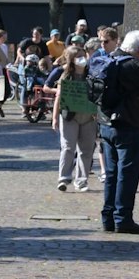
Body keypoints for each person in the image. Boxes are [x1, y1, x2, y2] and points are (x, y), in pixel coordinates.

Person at [94, 29, 139, 235]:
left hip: (107, 124)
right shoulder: (132, 65)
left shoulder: (110, 59)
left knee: (112, 173)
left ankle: (108, 217)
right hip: (128, 125)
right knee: (128, 173)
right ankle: (123, 218)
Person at [47, 45, 100, 191]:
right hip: (69, 117)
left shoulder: (92, 75)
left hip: (88, 117)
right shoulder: (64, 74)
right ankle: (63, 178)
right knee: (68, 147)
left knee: (86, 150)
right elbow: (59, 97)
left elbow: (97, 95)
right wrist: (55, 117)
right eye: (78, 56)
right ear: (71, 59)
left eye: (83, 55)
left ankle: (81, 181)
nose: (81, 59)